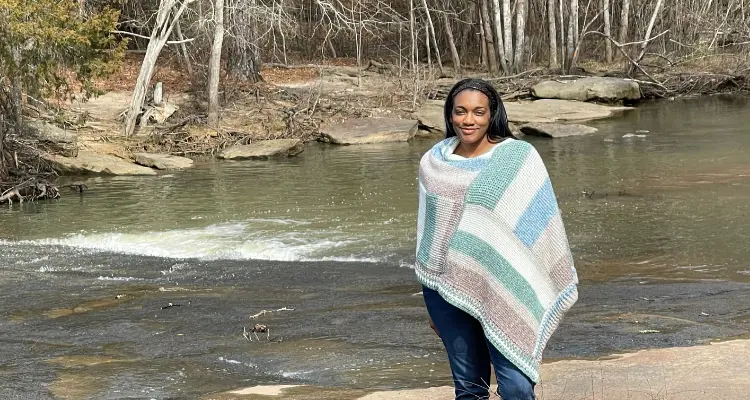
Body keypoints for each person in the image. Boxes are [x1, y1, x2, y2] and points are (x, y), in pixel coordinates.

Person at [415, 78, 579, 400]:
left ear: (492, 114)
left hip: (504, 283)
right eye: (460, 112)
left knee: (516, 387)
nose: (468, 120)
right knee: (469, 389)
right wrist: (435, 305)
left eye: (478, 112)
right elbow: (428, 239)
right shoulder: (432, 163)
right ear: (450, 115)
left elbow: (538, 224)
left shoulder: (518, 157)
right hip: (447, 291)